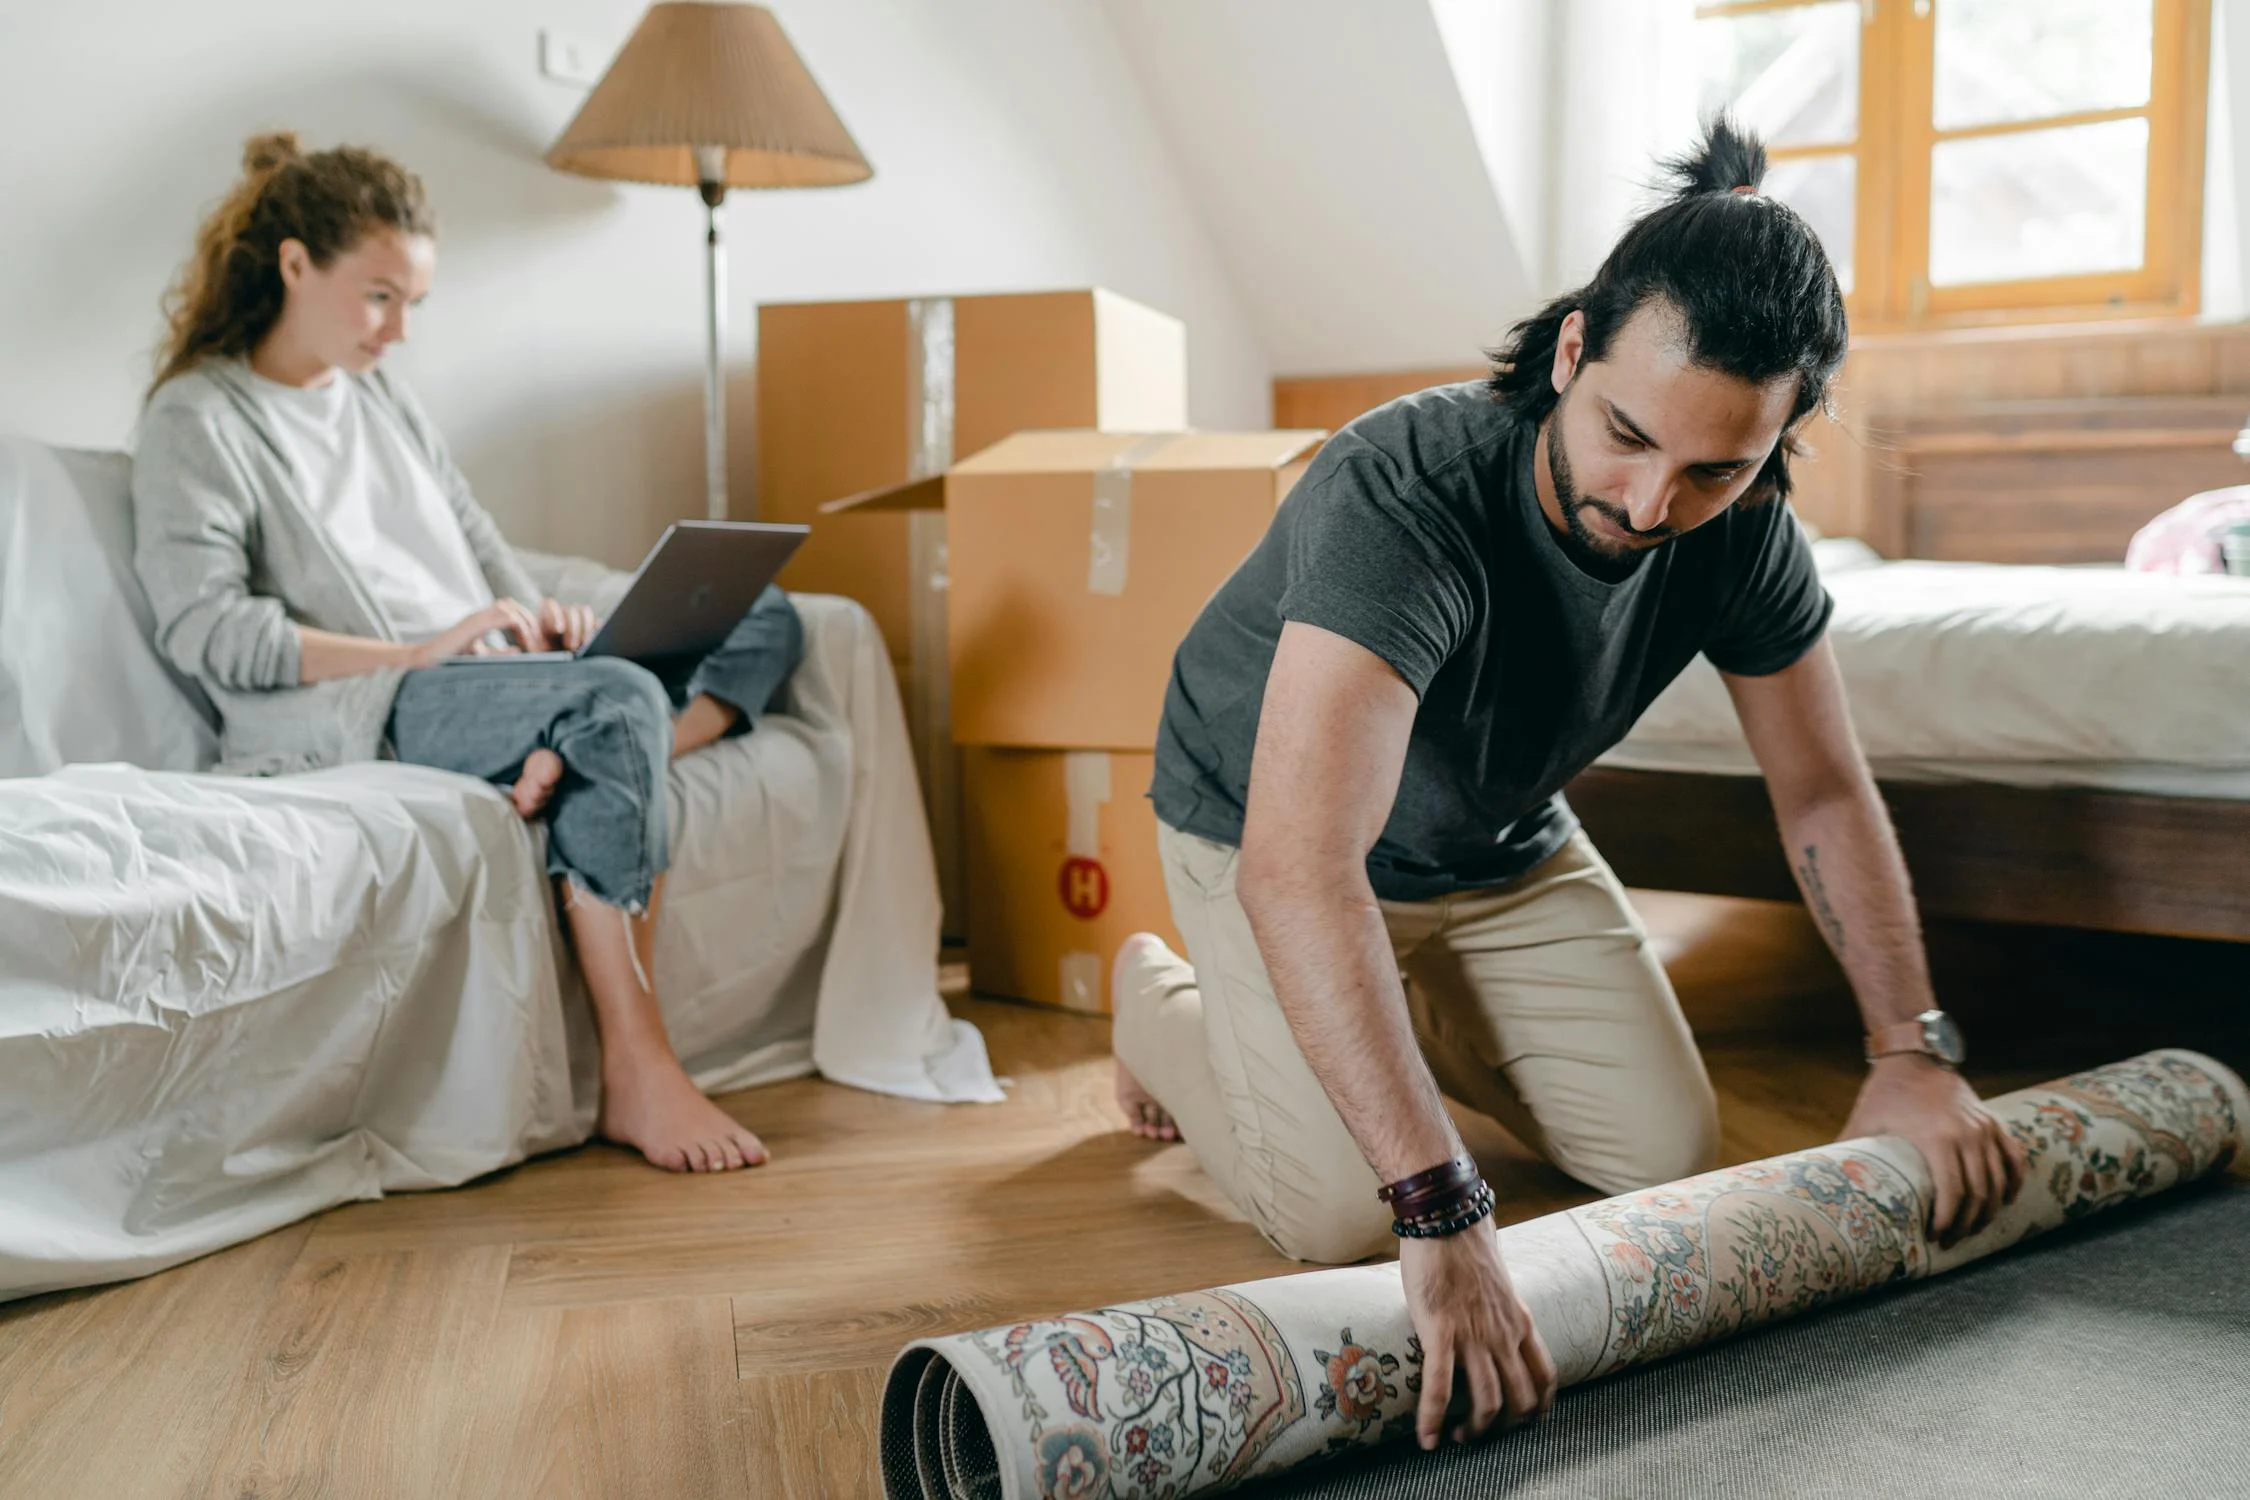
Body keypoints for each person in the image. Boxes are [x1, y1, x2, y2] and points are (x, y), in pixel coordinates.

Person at [1109, 120, 2031, 1449]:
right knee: (1333, 1211)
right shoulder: (1400, 489)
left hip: (1492, 840)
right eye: (1624, 436)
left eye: (1713, 469)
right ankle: (1160, 1007)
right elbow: (1300, 869)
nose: (1651, 503)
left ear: (1774, 444)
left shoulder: (1744, 532)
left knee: (1659, 1155)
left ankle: (1373, 1028)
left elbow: (1822, 790)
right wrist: (1436, 1205)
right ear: (1569, 350)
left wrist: (1910, 1051)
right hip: (1264, 832)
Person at [133, 133, 801, 1174]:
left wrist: (538, 618)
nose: (398, 332)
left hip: (497, 668)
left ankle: (585, 740)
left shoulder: (380, 396)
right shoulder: (199, 418)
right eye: (378, 298)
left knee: (766, 616)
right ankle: (638, 1063)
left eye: (414, 305)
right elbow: (207, 627)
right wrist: (415, 650)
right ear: (295, 264)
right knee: (620, 697)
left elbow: (469, 532)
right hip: (386, 697)